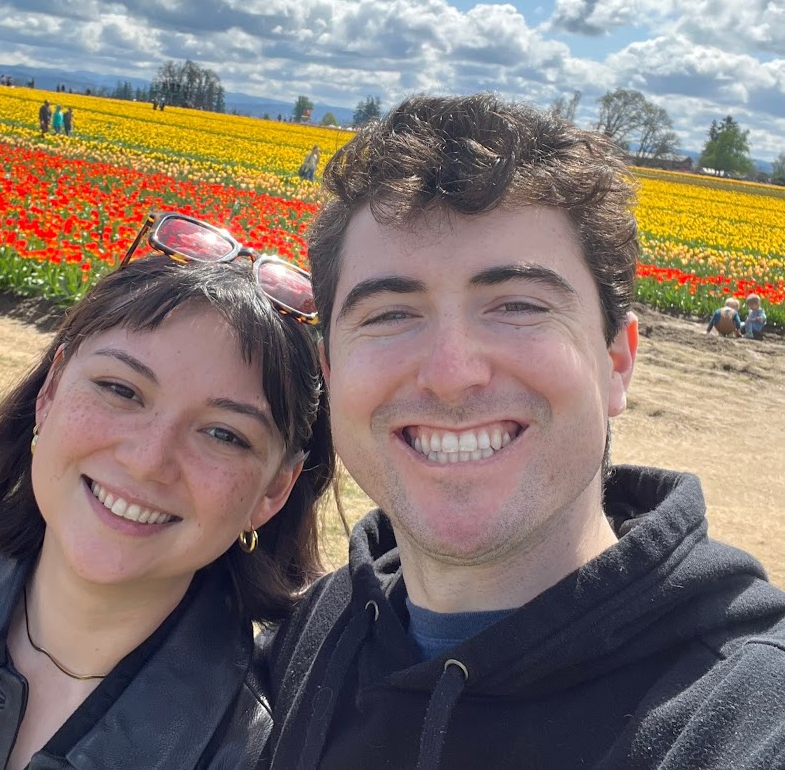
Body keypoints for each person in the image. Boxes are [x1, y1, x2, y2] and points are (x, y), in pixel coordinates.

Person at [261, 94, 785, 769]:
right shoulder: (304, 647)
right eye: (389, 314)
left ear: (616, 361)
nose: (451, 375)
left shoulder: (747, 718)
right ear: (332, 371)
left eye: (517, 306)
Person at [0, 214, 335, 770]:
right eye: (121, 390)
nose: (147, 462)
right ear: (50, 392)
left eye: (223, 434)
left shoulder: (274, 753)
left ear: (275, 489)